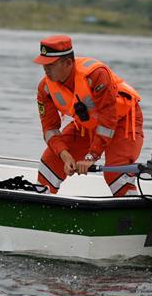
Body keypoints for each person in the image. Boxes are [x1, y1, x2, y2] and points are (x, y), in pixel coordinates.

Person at [34, 35, 143, 196]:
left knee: (115, 173)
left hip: (123, 121)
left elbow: (108, 119)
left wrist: (91, 156)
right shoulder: (45, 88)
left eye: (50, 64)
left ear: (68, 63)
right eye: (44, 64)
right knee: (49, 163)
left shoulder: (96, 74)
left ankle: (132, 214)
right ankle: (39, 206)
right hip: (86, 125)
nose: (45, 68)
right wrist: (65, 155)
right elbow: (50, 129)